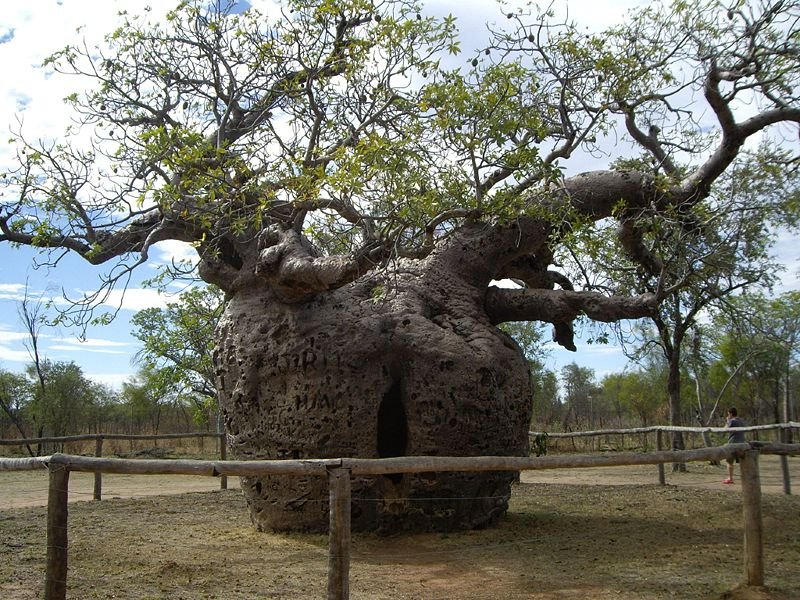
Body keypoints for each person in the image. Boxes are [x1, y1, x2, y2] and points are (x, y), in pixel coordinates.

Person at [723, 407, 746, 484]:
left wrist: (727, 421)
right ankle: (746, 477)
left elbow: (725, 429)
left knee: (729, 462)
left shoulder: (731, 421)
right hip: (742, 443)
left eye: (728, 414)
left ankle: (730, 478)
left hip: (732, 443)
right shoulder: (741, 421)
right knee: (743, 461)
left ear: (730, 414)